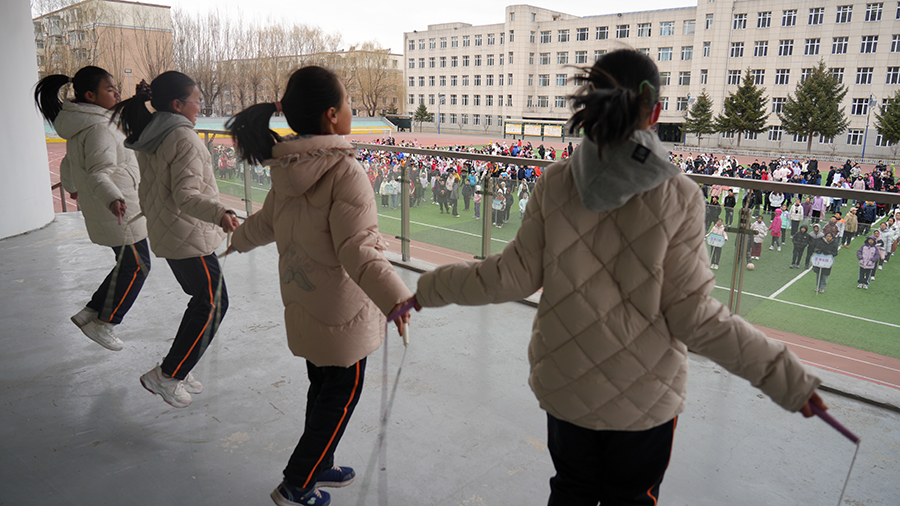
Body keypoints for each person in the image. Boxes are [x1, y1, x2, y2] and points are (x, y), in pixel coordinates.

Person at [405, 49, 824, 506]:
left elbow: (509, 276)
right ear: (655, 113)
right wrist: (785, 377)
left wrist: (428, 289)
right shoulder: (680, 195)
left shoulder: (555, 181)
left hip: (565, 384)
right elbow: (693, 316)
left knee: (572, 491)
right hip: (643, 400)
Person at [225, 66, 413, 506]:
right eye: (348, 103)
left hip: (304, 305)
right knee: (340, 397)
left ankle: (321, 462)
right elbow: (358, 249)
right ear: (331, 115)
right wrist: (396, 297)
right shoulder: (345, 171)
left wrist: (238, 240)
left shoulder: (289, 167)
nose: (350, 110)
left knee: (322, 387)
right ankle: (297, 483)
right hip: (342, 315)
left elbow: (267, 222)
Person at [112, 71, 240, 408]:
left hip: (169, 231)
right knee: (213, 303)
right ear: (178, 104)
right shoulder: (184, 138)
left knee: (203, 300)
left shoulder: (151, 132)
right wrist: (220, 213)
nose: (200, 107)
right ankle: (168, 375)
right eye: (197, 101)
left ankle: (179, 366)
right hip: (188, 234)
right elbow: (186, 195)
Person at [35, 66, 149, 351]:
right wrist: (113, 198)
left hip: (108, 206)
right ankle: (104, 322)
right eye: (110, 90)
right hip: (119, 208)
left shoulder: (86, 122)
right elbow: (99, 173)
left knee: (128, 263)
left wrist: (73, 186)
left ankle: (91, 310)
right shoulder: (99, 127)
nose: (116, 94)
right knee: (138, 266)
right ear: (90, 96)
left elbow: (69, 163)